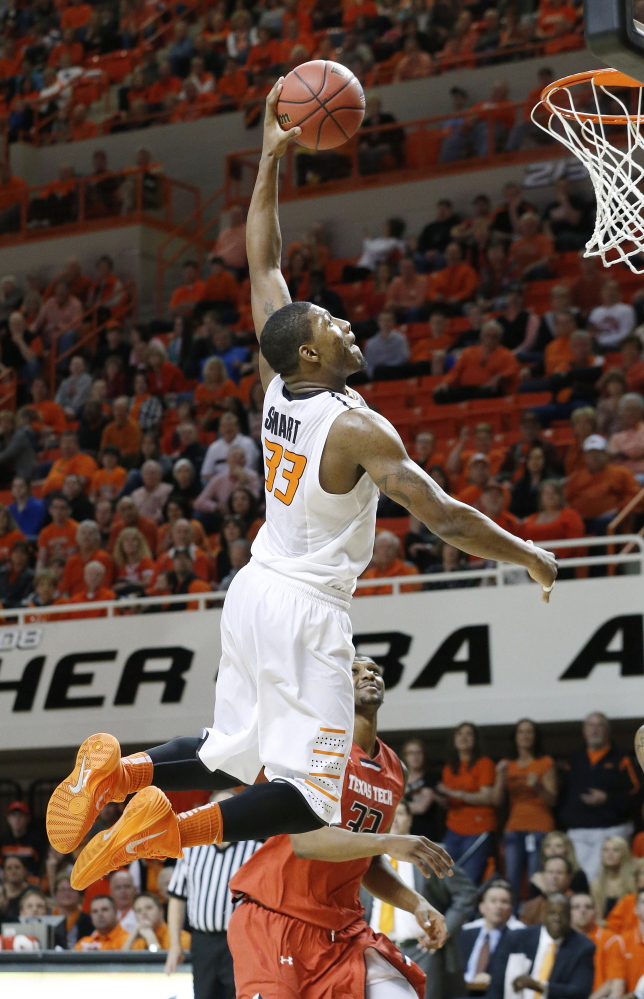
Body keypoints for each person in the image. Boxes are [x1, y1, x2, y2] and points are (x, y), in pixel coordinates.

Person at [48, 79, 556, 891]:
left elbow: (264, 260)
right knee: (319, 798)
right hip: (308, 610)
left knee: (228, 752)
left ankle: (120, 773)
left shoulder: (276, 379)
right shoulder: (358, 427)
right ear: (313, 354)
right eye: (334, 325)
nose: (348, 325)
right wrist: (526, 551)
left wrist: (268, 161)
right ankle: (161, 831)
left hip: (253, 589)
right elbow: (445, 515)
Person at [228, 655, 452, 999]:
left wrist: (416, 904)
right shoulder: (317, 746)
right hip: (276, 916)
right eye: (355, 671)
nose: (368, 675)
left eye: (375, 670)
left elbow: (368, 863)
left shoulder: (396, 770)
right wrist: (387, 842)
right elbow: (308, 842)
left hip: (340, 929)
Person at [365, 800, 478, 999]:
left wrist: (445, 928)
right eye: (390, 814)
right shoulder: (365, 856)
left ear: (410, 819)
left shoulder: (429, 853)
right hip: (375, 950)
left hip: (421, 950)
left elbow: (466, 893)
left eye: (399, 814)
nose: (395, 819)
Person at [165, 791, 262, 999]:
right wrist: (175, 944)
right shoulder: (192, 849)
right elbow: (177, 897)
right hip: (203, 941)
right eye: (217, 809)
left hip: (241, 944)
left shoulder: (255, 851)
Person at [559, 712, 640, 882]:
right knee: (579, 879)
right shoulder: (575, 760)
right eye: (590, 725)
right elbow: (563, 793)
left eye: (599, 725)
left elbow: (636, 793)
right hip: (579, 833)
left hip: (610, 830)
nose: (594, 730)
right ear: (584, 730)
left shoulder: (621, 759)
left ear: (608, 730)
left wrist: (607, 798)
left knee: (605, 879)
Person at [496, 719, 557, 911]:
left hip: (539, 827)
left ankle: (534, 918)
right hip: (513, 828)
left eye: (529, 732)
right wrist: (499, 775)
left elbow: (553, 800)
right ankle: (511, 919)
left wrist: (538, 786)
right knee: (511, 877)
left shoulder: (545, 763)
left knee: (535, 877)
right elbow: (497, 801)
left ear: (535, 736)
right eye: (521, 732)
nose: (525, 735)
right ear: (515, 737)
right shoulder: (508, 765)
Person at [486, 895, 595, 999]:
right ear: (543, 915)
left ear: (570, 917)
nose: (557, 918)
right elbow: (496, 985)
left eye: (562, 914)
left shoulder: (582, 947)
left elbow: (580, 991)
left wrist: (539, 986)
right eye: (552, 913)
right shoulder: (516, 939)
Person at [436, 722, 500, 884]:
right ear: (454, 740)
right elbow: (449, 803)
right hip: (453, 828)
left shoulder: (484, 763)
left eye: (469, 734)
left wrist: (453, 792)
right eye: (459, 734)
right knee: (447, 877)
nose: (464, 738)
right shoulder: (449, 768)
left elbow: (487, 797)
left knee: (470, 879)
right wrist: (435, 797)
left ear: (475, 740)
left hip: (478, 828)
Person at [565, 435, 641, 534]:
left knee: (605, 521)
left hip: (613, 521)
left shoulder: (622, 474)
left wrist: (617, 509)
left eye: (598, 452)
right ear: (585, 457)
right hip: (583, 522)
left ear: (606, 454)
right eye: (590, 453)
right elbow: (567, 501)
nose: (594, 456)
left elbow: (636, 499)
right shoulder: (576, 478)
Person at [434, 321, 520, 404]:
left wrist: (499, 376)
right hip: (466, 390)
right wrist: (445, 383)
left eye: (494, 337)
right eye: (487, 336)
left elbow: (512, 370)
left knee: (487, 392)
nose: (490, 340)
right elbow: (455, 372)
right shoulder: (468, 352)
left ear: (499, 339)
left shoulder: (507, 355)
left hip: (486, 390)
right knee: (440, 394)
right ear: (481, 336)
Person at [459, 880, 521, 992]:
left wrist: (494, 979)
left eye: (504, 902)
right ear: (482, 907)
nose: (499, 906)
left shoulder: (516, 939)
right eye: (493, 901)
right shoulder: (466, 933)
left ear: (510, 909)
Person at [569, 892, 620, 997]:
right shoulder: (561, 940)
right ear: (568, 913)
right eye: (576, 907)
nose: (582, 911)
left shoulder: (610, 939)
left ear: (595, 913)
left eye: (588, 907)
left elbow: (614, 981)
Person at [358, 530, 421, 596]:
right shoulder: (368, 575)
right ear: (375, 551)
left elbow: (409, 594)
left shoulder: (409, 571)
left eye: (389, 547)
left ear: (397, 551)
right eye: (381, 547)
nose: (385, 551)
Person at [122, 891, 191, 952]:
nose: (144, 913)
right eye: (138, 911)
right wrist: (132, 937)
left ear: (161, 911)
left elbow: (158, 963)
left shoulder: (181, 938)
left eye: (149, 908)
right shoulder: (137, 939)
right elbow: (121, 963)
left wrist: (150, 936)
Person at [590, 836, 636, 921]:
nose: (610, 854)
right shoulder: (596, 884)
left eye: (616, 850)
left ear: (624, 854)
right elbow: (598, 918)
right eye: (605, 850)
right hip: (607, 929)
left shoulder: (633, 882)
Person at [521, 855, 574, 924]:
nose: (554, 877)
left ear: (568, 877)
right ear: (543, 875)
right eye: (550, 872)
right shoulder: (531, 906)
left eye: (559, 872)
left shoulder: (575, 904)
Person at [589, 280, 636, 352]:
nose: (610, 292)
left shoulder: (627, 310)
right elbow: (592, 332)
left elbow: (627, 333)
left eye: (613, 289)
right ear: (601, 292)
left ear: (619, 292)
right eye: (607, 289)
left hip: (618, 347)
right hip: (599, 347)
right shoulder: (596, 312)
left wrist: (608, 342)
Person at [0, 801, 43, 876]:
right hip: (6, 881)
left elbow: (41, 865)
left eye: (21, 815)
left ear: (28, 818)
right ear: (8, 819)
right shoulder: (3, 840)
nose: (17, 819)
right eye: (14, 815)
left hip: (31, 881)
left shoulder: (36, 840)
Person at [363, 308, 410, 378]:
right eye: (383, 321)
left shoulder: (401, 339)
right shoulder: (371, 344)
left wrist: (388, 367)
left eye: (389, 321)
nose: (386, 323)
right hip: (379, 374)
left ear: (393, 322)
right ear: (378, 322)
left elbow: (403, 358)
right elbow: (369, 365)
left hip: (396, 371)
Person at [608, 393, 644, 482]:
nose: (631, 413)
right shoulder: (615, 437)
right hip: (622, 477)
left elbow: (637, 452)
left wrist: (622, 453)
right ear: (621, 412)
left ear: (642, 411)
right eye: (628, 409)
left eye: (635, 409)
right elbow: (611, 457)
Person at [9, 476, 45, 542]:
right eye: (15, 486)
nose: (17, 489)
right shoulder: (10, 509)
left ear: (28, 488)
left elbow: (32, 531)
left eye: (21, 486)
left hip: (31, 544)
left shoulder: (39, 506)